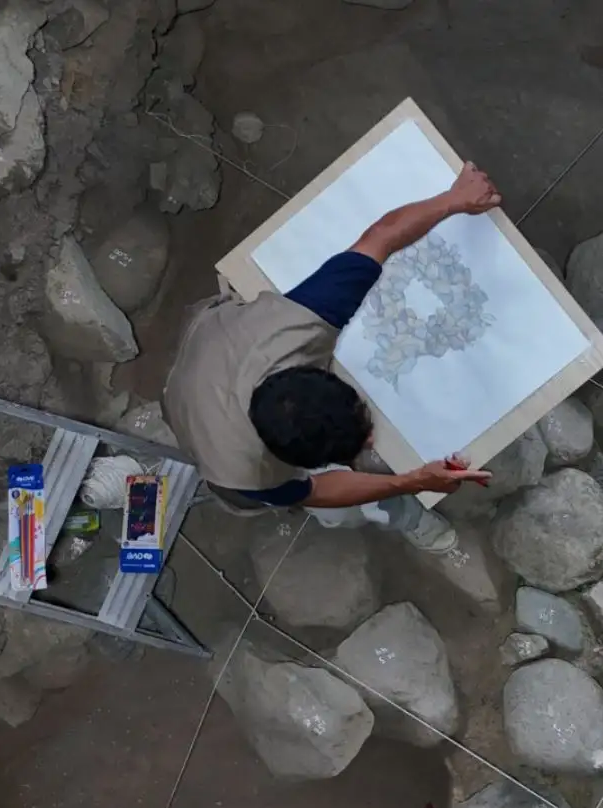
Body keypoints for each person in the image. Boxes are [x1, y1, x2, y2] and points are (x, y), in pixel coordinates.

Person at [162, 163, 508, 553]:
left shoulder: (299, 323)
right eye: (363, 438)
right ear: (300, 461)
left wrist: (454, 199)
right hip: (194, 408)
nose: (373, 436)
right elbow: (316, 491)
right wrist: (412, 482)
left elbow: (382, 236)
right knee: (338, 512)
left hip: (207, 349)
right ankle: (403, 516)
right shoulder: (246, 477)